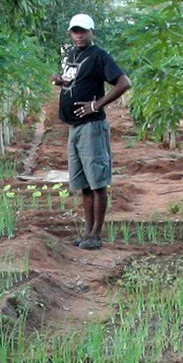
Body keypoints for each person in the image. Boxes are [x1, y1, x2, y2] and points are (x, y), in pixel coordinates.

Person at [54, 12, 130, 249]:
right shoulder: (72, 55)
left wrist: (95, 105)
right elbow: (74, 81)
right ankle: (87, 233)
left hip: (91, 127)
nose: (79, 35)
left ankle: (96, 235)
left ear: (91, 33)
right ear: (70, 33)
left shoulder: (100, 57)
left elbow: (123, 83)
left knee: (97, 182)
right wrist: (61, 82)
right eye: (75, 31)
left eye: (83, 31)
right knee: (84, 184)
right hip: (75, 127)